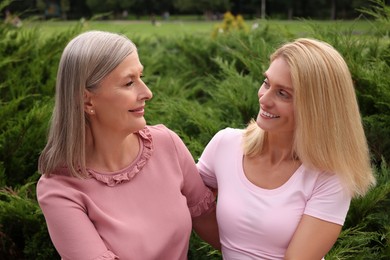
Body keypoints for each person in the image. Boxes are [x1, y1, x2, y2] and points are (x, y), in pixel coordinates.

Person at [37, 30, 220, 260]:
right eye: (129, 82)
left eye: (141, 77)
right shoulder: (60, 189)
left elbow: (216, 228)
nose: (147, 93)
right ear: (87, 99)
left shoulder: (167, 145)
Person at [197, 38, 376, 260]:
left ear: (316, 108)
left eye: (283, 93)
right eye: (266, 82)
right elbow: (189, 205)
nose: (265, 98)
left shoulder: (330, 177)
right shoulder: (225, 144)